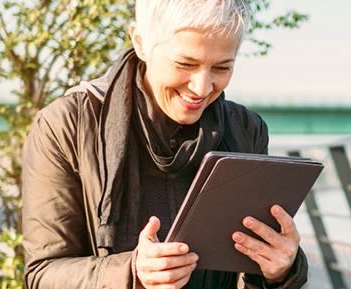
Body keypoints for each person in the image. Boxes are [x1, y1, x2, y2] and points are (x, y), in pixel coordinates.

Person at [20, 0, 307, 288]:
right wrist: (132, 274)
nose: (202, 87)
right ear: (140, 42)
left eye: (221, 68)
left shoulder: (246, 129)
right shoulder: (68, 124)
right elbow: (42, 274)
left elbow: (249, 272)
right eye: (185, 64)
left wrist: (282, 270)